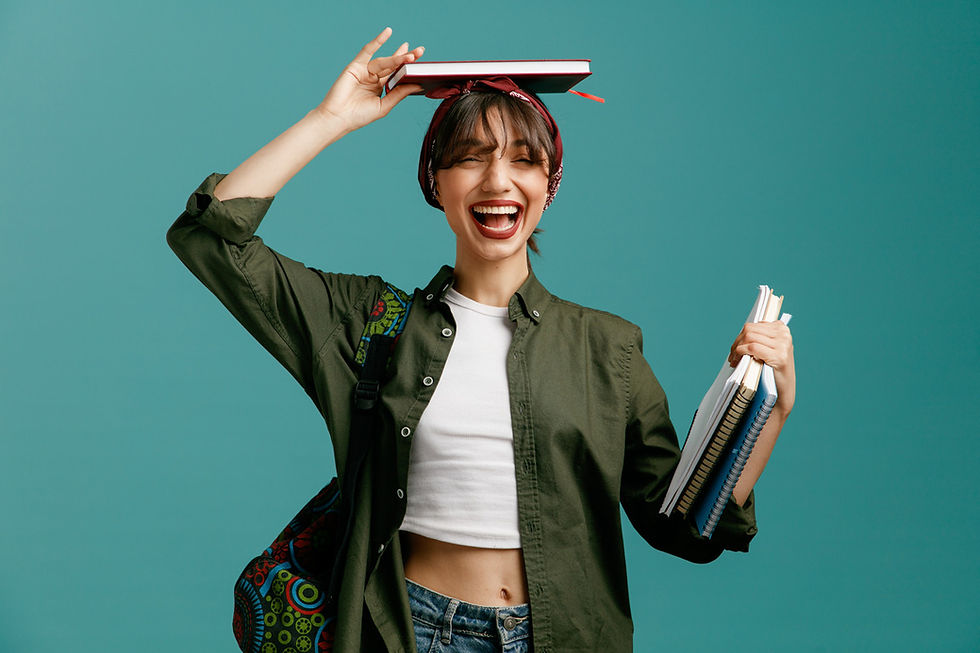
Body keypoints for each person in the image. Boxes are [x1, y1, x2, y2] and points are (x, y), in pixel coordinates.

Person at [167, 28, 795, 653]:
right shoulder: (370, 323)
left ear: (549, 186)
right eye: (470, 156)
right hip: (410, 629)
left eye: (524, 159)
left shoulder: (609, 348)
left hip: (565, 636)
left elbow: (687, 531)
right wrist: (332, 118)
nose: (498, 180)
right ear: (435, 182)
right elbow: (211, 239)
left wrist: (769, 412)